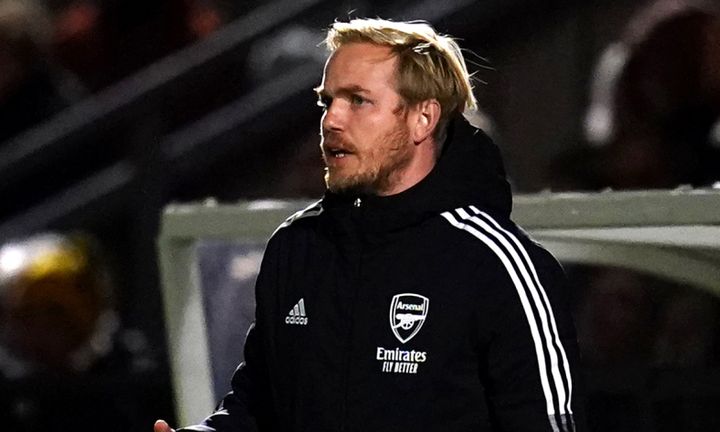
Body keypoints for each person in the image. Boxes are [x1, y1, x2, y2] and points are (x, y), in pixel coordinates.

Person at [156, 18, 580, 432]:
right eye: (327, 102)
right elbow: (257, 410)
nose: (331, 121)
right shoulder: (296, 246)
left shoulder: (496, 265)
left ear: (423, 118)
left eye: (358, 100)